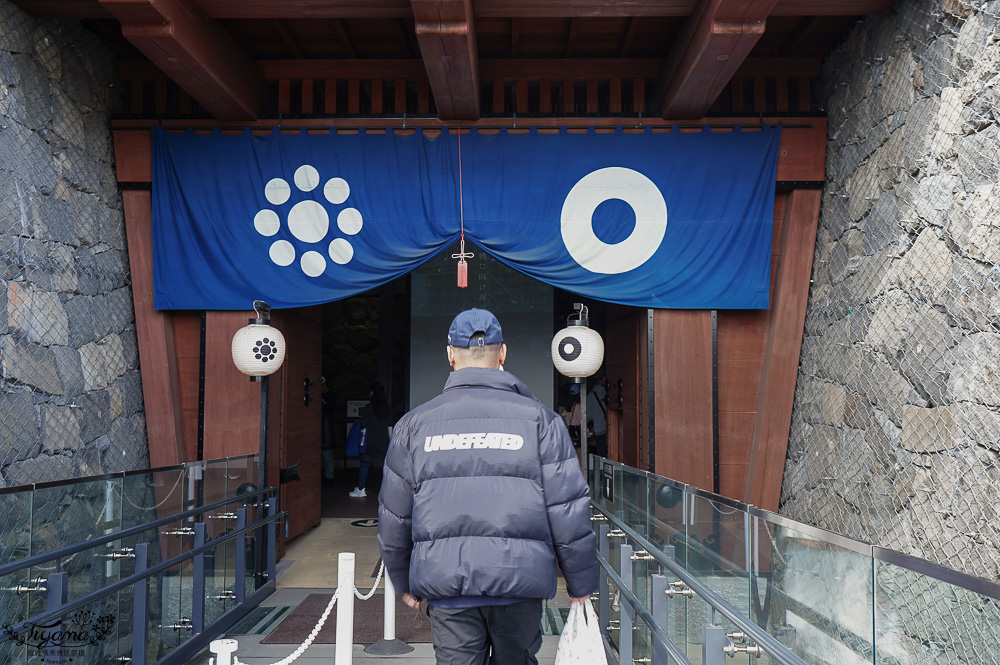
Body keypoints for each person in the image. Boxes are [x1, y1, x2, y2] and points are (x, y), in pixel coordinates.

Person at [378, 308, 598, 665]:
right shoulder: (541, 422)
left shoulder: (413, 426)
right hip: (519, 579)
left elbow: (394, 515)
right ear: (503, 353)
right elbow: (567, 509)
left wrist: (402, 580)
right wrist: (580, 581)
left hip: (446, 582)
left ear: (450, 354)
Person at [349, 381, 392, 498]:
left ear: (373, 393)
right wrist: (390, 442)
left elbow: (363, 424)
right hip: (383, 440)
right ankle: (389, 491)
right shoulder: (387, 408)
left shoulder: (368, 408)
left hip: (369, 440)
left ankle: (361, 489)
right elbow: (390, 427)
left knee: (364, 464)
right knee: (385, 466)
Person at [587, 371, 608, 458]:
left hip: (599, 429)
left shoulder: (591, 395)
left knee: (601, 455)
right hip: (613, 428)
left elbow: (589, 416)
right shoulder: (610, 392)